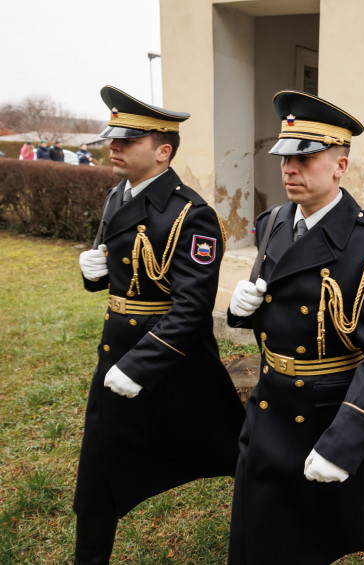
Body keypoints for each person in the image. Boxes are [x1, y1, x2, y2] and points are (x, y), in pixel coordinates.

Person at [226, 90, 364, 565]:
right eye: (285, 156)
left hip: (330, 404)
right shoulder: (272, 223)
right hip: (271, 399)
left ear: (341, 166)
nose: (289, 168)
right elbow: (280, 311)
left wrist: (343, 440)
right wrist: (241, 310)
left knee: (357, 505)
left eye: (305, 157)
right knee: (260, 524)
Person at [73, 85, 245, 564]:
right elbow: (125, 272)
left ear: (163, 150)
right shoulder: (115, 196)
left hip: (176, 363)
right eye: (115, 137)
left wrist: (141, 365)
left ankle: (281, 523)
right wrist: (95, 275)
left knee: (238, 452)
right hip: (117, 355)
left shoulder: (193, 214)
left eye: (127, 140)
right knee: (98, 467)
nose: (114, 146)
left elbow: (191, 307)